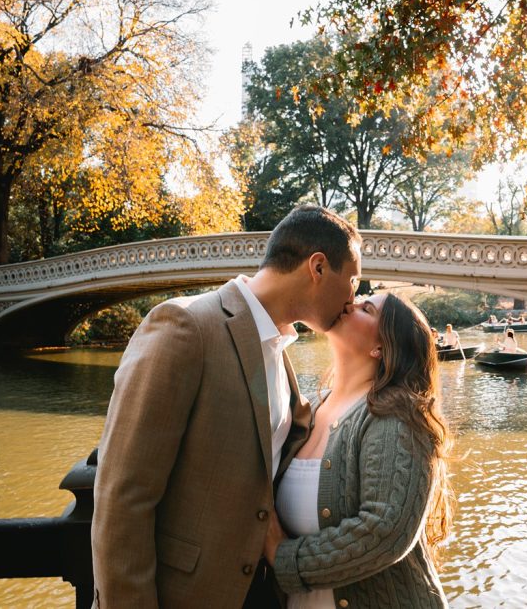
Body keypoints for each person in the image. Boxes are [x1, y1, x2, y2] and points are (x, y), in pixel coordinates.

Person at [91, 205, 362, 608]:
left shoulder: (278, 347)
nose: (354, 299)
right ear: (317, 268)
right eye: (353, 281)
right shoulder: (185, 327)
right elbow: (122, 498)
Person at [264, 292, 454, 607]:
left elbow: (384, 531)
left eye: (366, 309)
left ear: (381, 347)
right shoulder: (309, 411)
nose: (349, 304)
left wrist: (284, 558)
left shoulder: (397, 415)